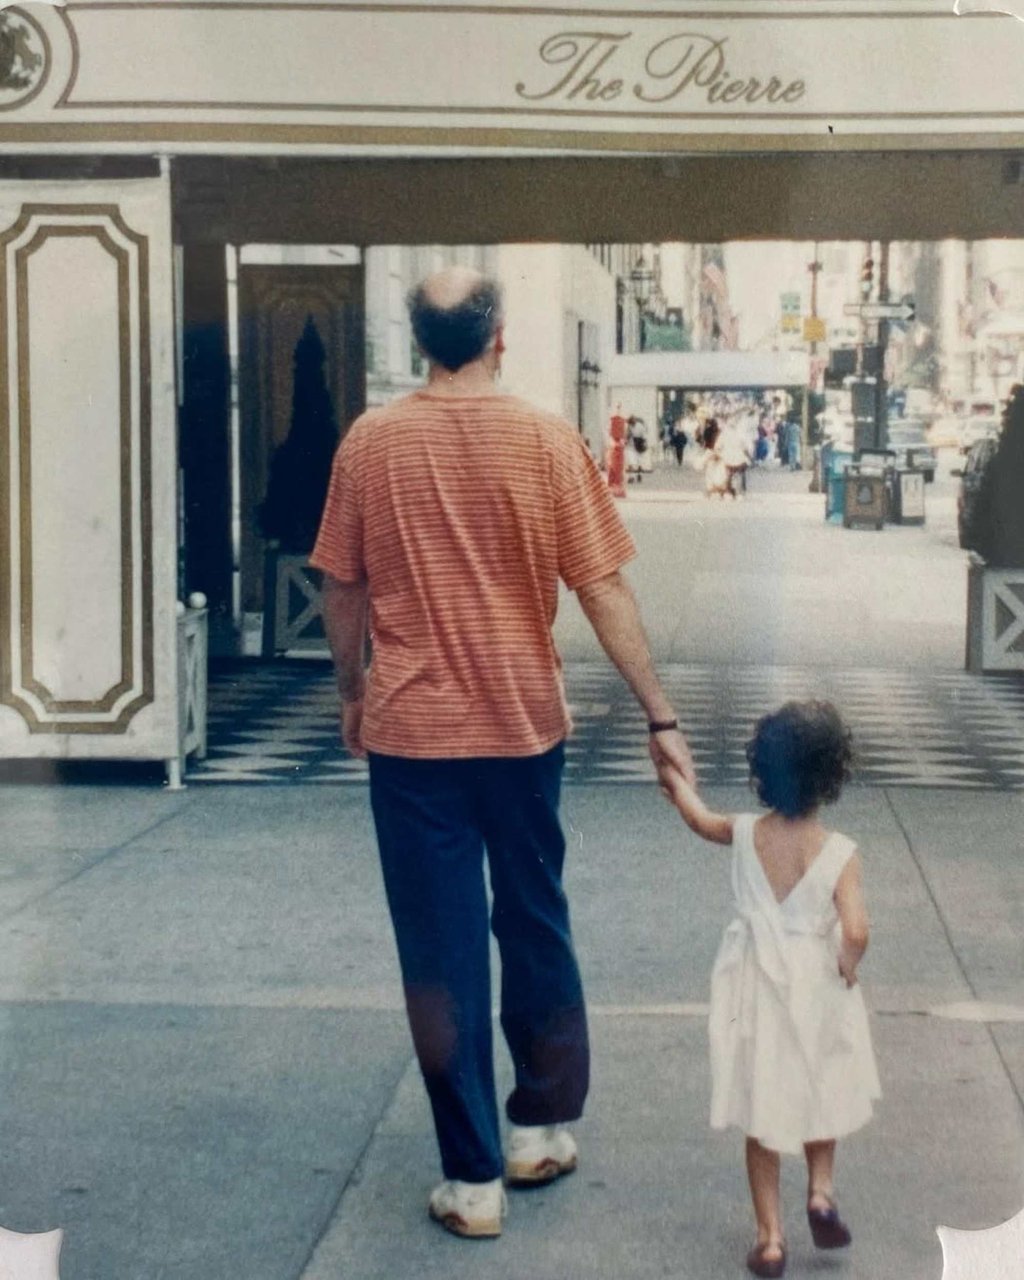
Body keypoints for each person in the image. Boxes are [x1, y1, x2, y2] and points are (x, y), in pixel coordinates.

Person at [311, 266, 695, 1241]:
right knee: (533, 915)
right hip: (525, 728)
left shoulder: (370, 442)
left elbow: (343, 590)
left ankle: (470, 1174)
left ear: (418, 338)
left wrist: (353, 691)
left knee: (437, 949)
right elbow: (604, 587)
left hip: (412, 738)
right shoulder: (544, 438)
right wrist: (659, 712)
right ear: (498, 338)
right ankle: (537, 1126)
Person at [657, 701, 880, 1279]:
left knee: (762, 1110)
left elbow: (699, 818)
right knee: (821, 1088)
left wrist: (676, 779)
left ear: (763, 771)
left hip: (756, 980)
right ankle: (822, 1193)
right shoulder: (840, 852)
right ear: (834, 774)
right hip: (816, 984)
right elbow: (856, 929)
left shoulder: (746, 830)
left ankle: (771, 1239)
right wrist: (848, 965)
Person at [606, 404, 628, 497]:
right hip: (618, 448)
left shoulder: (613, 420)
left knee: (614, 469)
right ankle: (617, 487)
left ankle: (614, 487)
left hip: (615, 447)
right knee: (617, 470)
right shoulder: (621, 421)